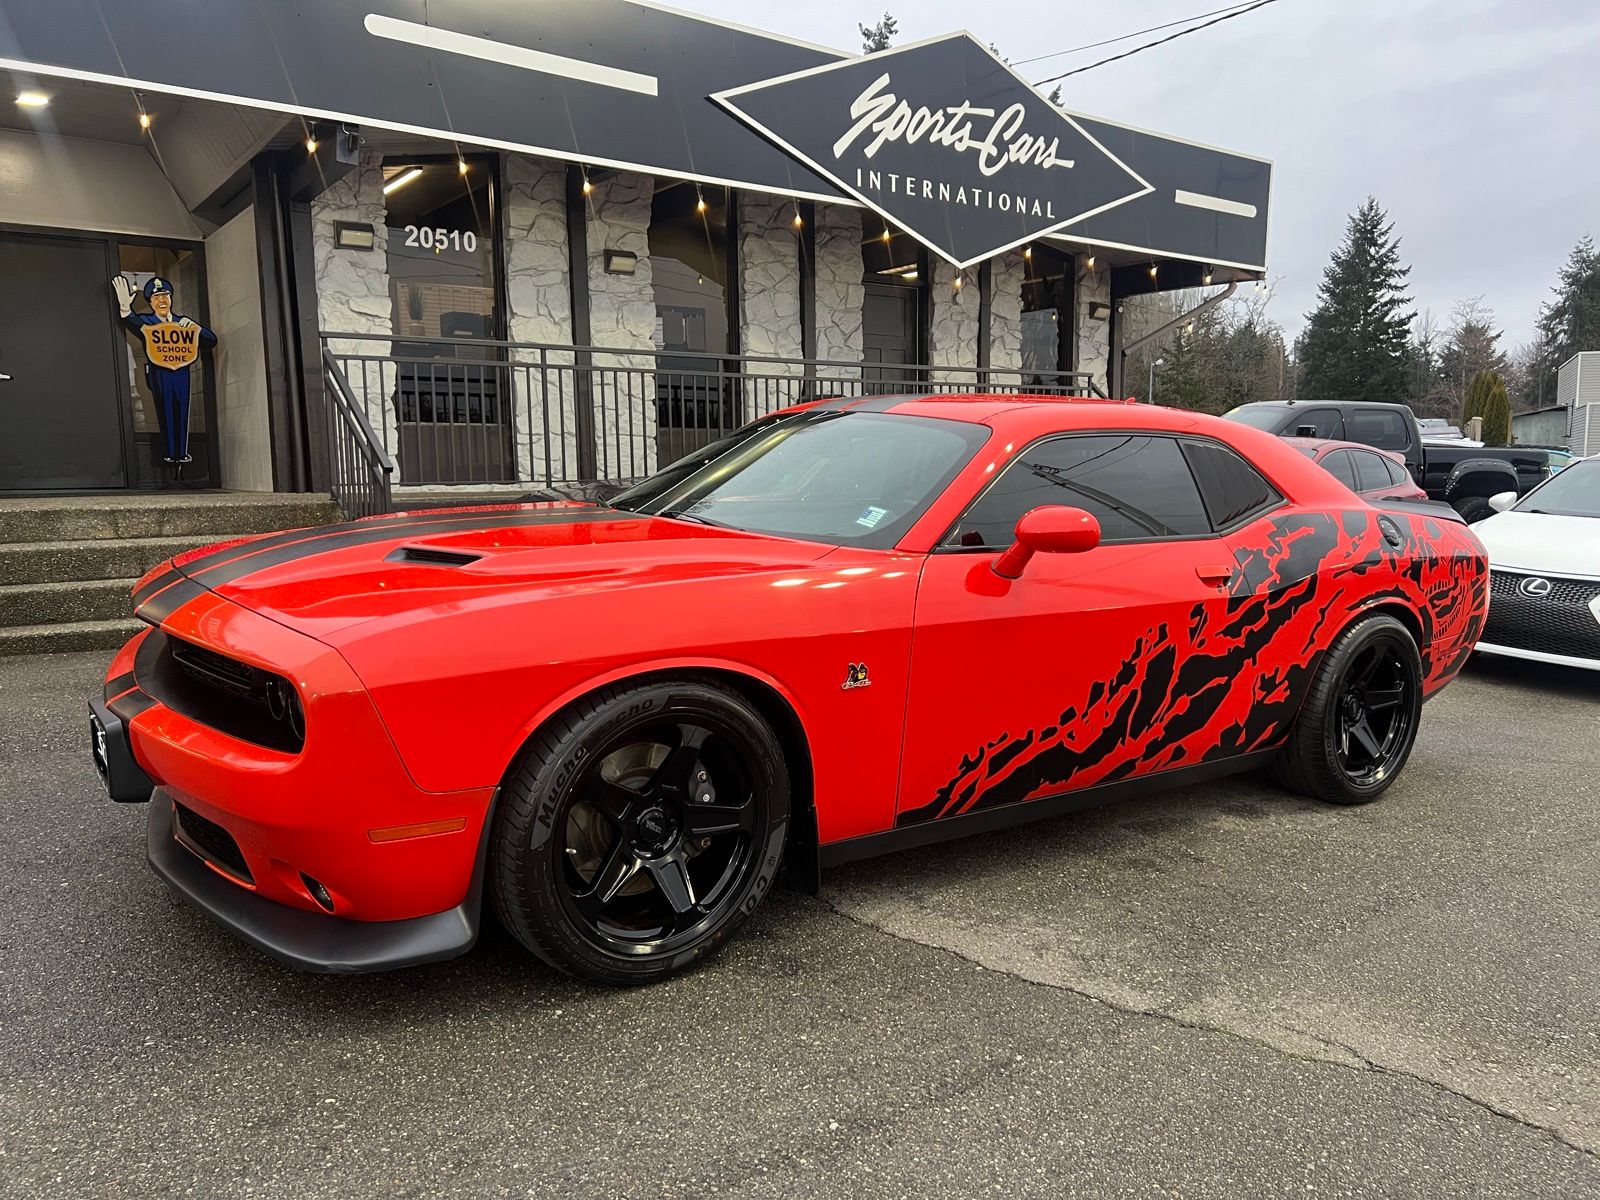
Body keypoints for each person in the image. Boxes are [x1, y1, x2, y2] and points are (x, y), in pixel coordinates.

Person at [112, 274, 216, 465]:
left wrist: (195, 327)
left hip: (181, 372)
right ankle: (171, 454)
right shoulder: (148, 321)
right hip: (160, 373)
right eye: (156, 297)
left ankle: (181, 454)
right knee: (166, 411)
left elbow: (211, 340)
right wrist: (125, 307)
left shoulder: (182, 322)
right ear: (151, 302)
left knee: (182, 411)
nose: (161, 300)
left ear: (170, 298)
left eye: (165, 296)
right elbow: (132, 321)